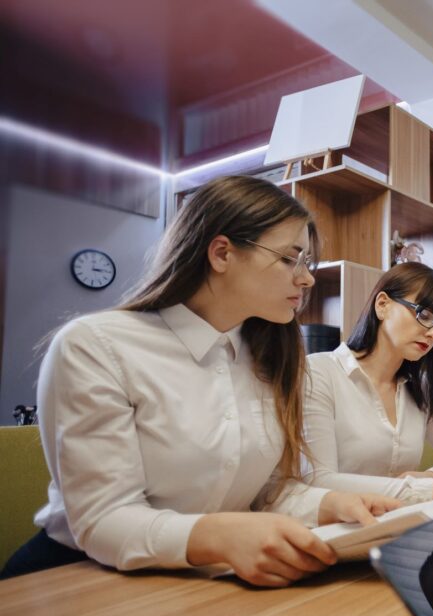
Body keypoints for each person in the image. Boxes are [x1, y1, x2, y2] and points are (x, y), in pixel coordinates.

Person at [1, 176, 400, 586]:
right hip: (74, 576)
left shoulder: (269, 356)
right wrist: (219, 536)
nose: (307, 279)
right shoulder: (97, 346)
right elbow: (104, 520)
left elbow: (266, 493)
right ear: (222, 253)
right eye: (289, 259)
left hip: (198, 576)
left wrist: (333, 505)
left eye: (307, 263)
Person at [304, 263, 433, 504]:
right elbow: (319, 482)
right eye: (424, 315)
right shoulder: (318, 373)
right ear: (382, 305)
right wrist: (429, 489)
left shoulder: (419, 390)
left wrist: (431, 476)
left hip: (405, 523)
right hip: (338, 528)